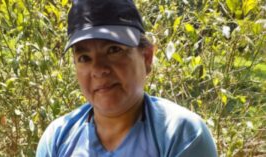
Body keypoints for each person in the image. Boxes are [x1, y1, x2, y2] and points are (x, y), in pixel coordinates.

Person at [36, 0, 218, 156]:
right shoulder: (58, 138)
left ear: (146, 58)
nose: (99, 69)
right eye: (84, 58)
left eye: (114, 50)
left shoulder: (180, 134)